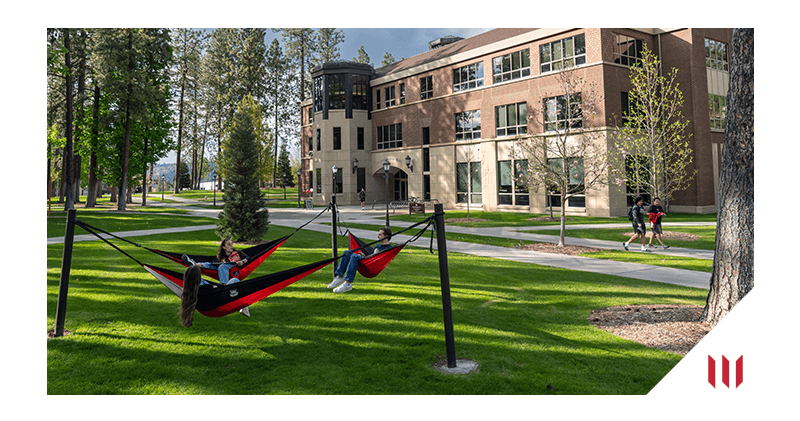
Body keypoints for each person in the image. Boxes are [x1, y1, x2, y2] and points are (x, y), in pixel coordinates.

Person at [181, 238, 251, 317]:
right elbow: (213, 264)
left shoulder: (238, 253)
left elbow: (249, 258)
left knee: (224, 268)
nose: (231, 246)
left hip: (235, 270)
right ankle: (196, 264)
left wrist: (242, 261)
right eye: (229, 244)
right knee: (216, 265)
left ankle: (225, 288)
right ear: (224, 247)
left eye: (232, 244)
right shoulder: (220, 258)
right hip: (226, 279)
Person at [328, 226, 393, 293]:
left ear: (386, 236)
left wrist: (376, 254)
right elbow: (369, 256)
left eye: (380, 234)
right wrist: (364, 255)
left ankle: (347, 283)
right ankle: (339, 277)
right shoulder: (378, 246)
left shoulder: (389, 248)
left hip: (372, 267)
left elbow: (384, 258)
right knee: (346, 252)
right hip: (367, 261)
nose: (378, 236)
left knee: (354, 256)